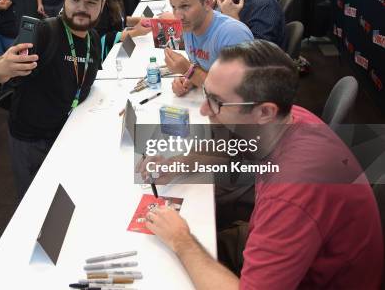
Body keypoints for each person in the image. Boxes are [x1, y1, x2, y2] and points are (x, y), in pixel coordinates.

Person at [144, 40, 383, 289]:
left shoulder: (292, 192)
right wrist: (179, 164)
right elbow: (232, 146)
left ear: (265, 112)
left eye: (217, 102)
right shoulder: (283, 118)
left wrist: (181, 240)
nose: (204, 110)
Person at [0, 0, 106, 198]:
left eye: (91, 2)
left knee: (67, 196)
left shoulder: (92, 38)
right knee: (35, 203)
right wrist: (1, 68)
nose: (82, 8)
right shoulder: (45, 32)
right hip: (32, 142)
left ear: (102, 5)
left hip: (69, 134)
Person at [162, 0, 253, 96]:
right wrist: (190, 80)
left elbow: (236, 93)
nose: (178, 16)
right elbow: (206, 70)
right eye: (174, 7)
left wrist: (188, 70)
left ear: (207, 3)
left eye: (185, 6)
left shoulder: (232, 34)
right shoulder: (190, 25)